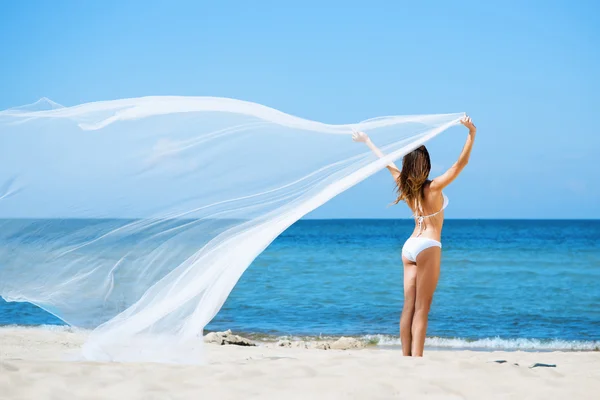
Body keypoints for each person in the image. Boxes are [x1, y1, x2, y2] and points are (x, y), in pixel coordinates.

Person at [352, 116, 477, 356]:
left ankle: (405, 357)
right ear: (426, 164)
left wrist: (367, 141)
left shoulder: (405, 187)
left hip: (409, 247)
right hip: (428, 244)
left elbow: (386, 163)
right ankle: (417, 360)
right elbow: (460, 164)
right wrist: (471, 133)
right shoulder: (435, 187)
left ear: (408, 166)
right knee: (422, 308)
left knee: (408, 306)